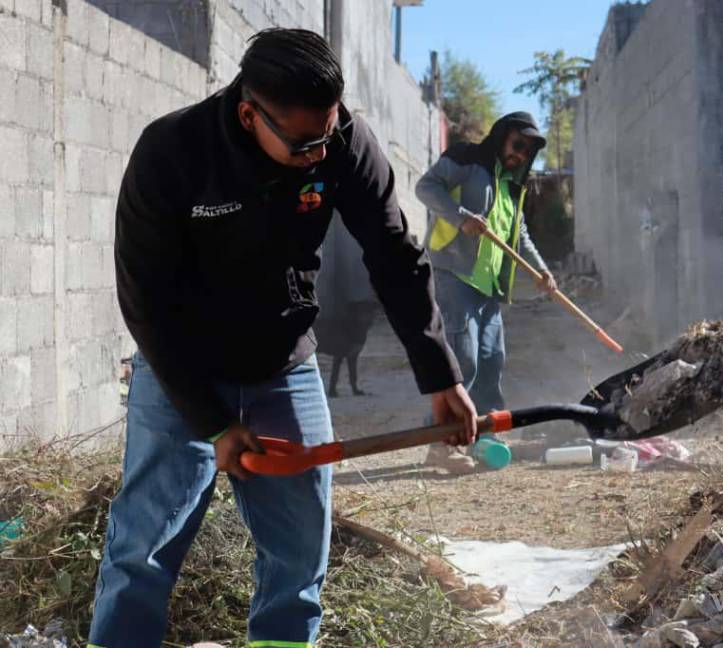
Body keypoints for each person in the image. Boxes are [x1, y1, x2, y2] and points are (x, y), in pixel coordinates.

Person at [88, 28, 476, 648]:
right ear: (249, 113)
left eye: (328, 135)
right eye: (302, 144)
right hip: (182, 369)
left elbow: (395, 258)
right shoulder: (171, 153)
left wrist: (440, 375)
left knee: (298, 560)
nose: (320, 154)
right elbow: (146, 304)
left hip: (284, 367)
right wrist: (214, 423)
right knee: (144, 550)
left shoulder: (342, 141)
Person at [415, 112, 556, 472]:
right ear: (502, 136)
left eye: (528, 151)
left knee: (492, 361)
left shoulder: (511, 187)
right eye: (518, 144)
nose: (521, 154)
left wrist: (541, 269)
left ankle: (486, 432)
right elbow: (426, 188)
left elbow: (518, 235)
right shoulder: (466, 158)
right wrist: (461, 216)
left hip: (488, 288)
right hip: (454, 276)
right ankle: (440, 442)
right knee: (463, 361)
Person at [313, 216, 379, 397]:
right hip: (323, 335)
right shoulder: (352, 330)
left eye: (369, 313)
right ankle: (333, 389)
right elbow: (338, 360)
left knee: (350, 358)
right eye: (365, 312)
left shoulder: (359, 331)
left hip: (335, 332)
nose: (368, 317)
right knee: (341, 357)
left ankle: (351, 387)